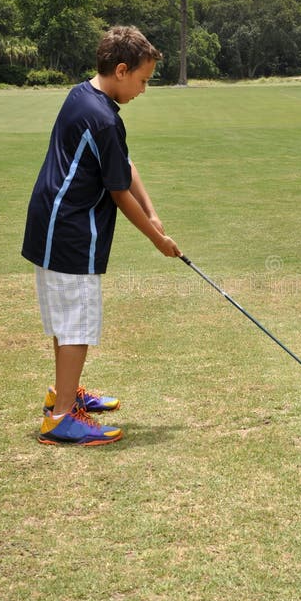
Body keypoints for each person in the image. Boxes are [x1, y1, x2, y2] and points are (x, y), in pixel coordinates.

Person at [22, 25, 181, 446]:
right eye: (144, 80)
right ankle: (60, 420)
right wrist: (155, 238)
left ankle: (65, 394)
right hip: (71, 230)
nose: (145, 90)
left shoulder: (85, 96)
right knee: (76, 325)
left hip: (53, 223)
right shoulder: (104, 118)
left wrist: (154, 211)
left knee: (67, 320)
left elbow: (123, 165)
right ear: (123, 69)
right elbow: (117, 190)